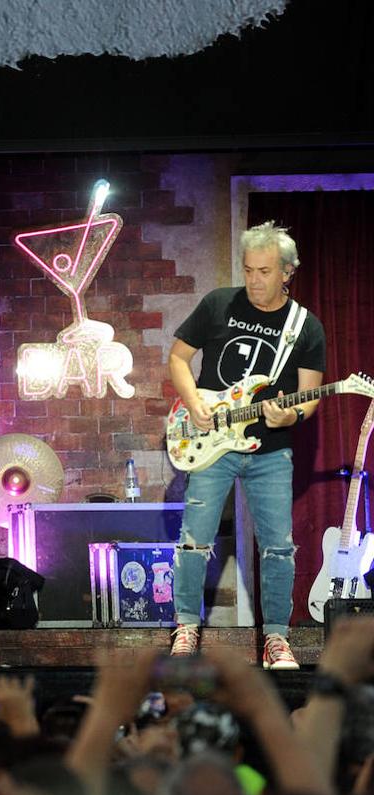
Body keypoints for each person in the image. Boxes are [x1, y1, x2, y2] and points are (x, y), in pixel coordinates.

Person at [166, 221, 325, 668]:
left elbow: (308, 398)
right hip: (210, 441)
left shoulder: (305, 327)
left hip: (271, 450)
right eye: (249, 269)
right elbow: (178, 357)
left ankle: (277, 639)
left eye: (265, 271)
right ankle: (186, 629)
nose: (254, 280)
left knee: (277, 545)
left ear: (288, 272)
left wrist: (289, 413)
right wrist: (192, 400)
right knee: (194, 540)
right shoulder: (220, 303)